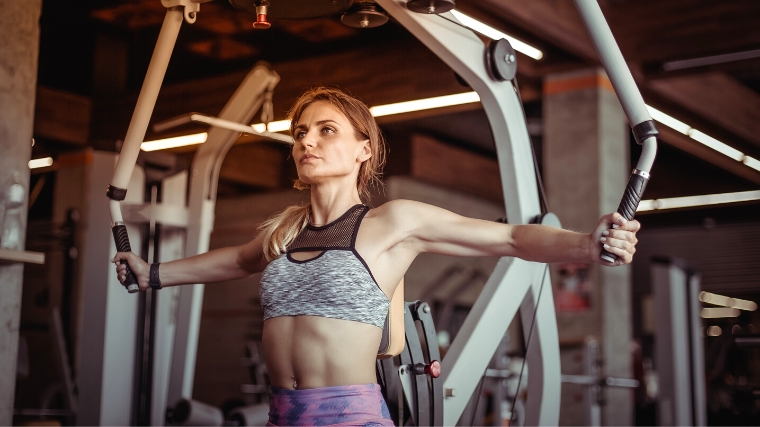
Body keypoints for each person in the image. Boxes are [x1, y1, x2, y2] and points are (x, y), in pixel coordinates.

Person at [113, 87, 640, 426]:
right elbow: (237, 261)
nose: (306, 142)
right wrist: (153, 273)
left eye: (326, 130)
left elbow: (509, 240)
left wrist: (587, 246)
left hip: (349, 416)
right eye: (299, 133)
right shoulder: (287, 228)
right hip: (280, 414)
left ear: (364, 149)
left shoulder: (393, 222)